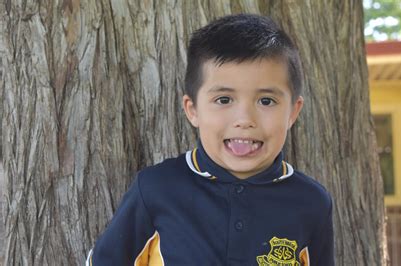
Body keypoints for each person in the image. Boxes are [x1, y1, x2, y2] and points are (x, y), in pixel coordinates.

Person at [87, 13, 334, 265]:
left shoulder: (311, 202)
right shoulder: (155, 189)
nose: (244, 119)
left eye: (266, 101)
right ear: (192, 109)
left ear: (293, 111)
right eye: (224, 100)